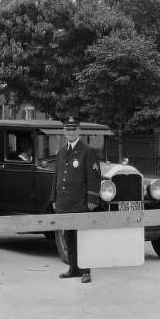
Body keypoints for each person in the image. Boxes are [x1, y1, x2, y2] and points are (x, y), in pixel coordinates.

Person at [50, 115, 101, 283]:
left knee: (83, 238)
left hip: (80, 202)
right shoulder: (62, 151)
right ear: (64, 132)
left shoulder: (88, 151)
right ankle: (73, 268)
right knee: (69, 237)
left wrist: (92, 200)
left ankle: (86, 271)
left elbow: (94, 177)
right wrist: (54, 198)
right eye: (67, 129)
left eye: (73, 129)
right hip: (64, 202)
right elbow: (57, 176)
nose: (70, 132)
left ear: (79, 131)